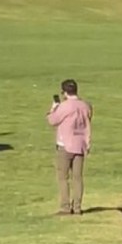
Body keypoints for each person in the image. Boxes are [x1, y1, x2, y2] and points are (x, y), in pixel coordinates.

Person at [46, 79, 93, 215]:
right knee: (78, 178)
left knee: (63, 177)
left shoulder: (65, 106)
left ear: (64, 92)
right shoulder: (86, 106)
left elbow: (52, 120)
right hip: (81, 144)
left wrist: (53, 108)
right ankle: (77, 207)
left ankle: (65, 207)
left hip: (65, 145)